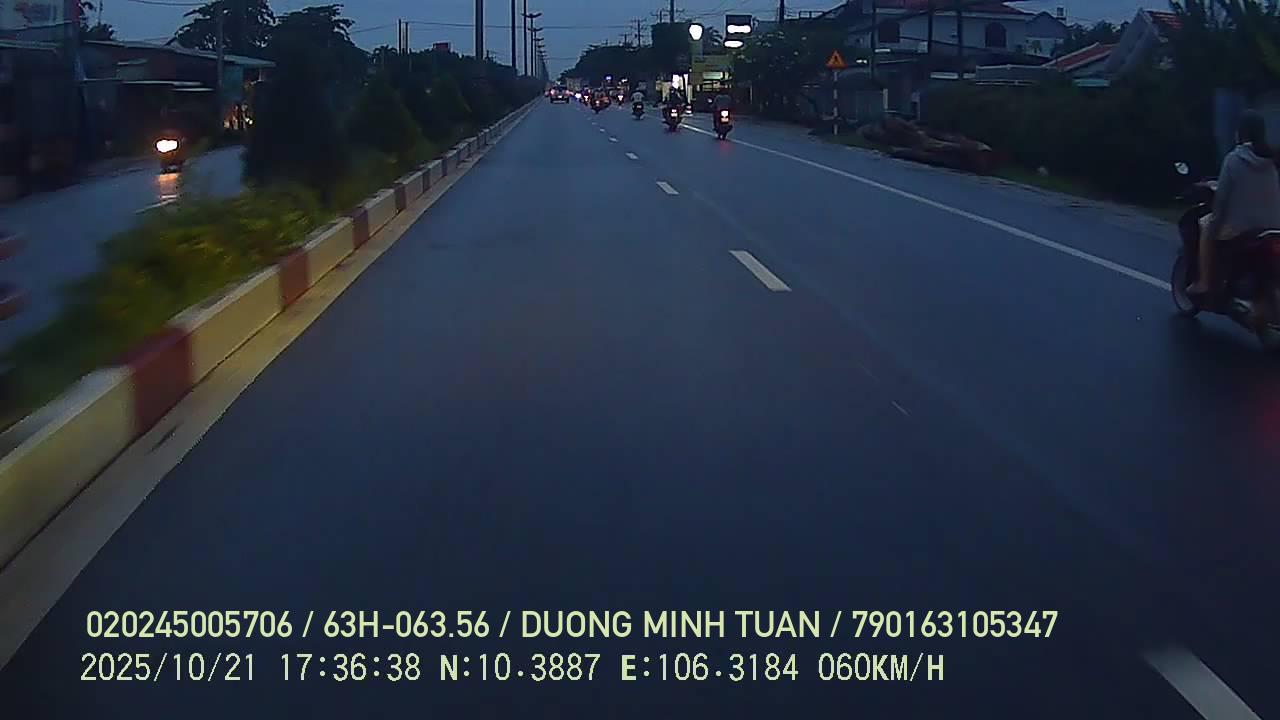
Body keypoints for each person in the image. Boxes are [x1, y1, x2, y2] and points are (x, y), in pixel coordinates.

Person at [1188, 110, 1280, 297]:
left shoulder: (1234, 159)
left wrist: (1215, 224)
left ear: (1240, 133)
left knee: (1205, 225)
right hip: (1272, 227)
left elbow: (1221, 201)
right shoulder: (1270, 162)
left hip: (1241, 229)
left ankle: (1205, 283)